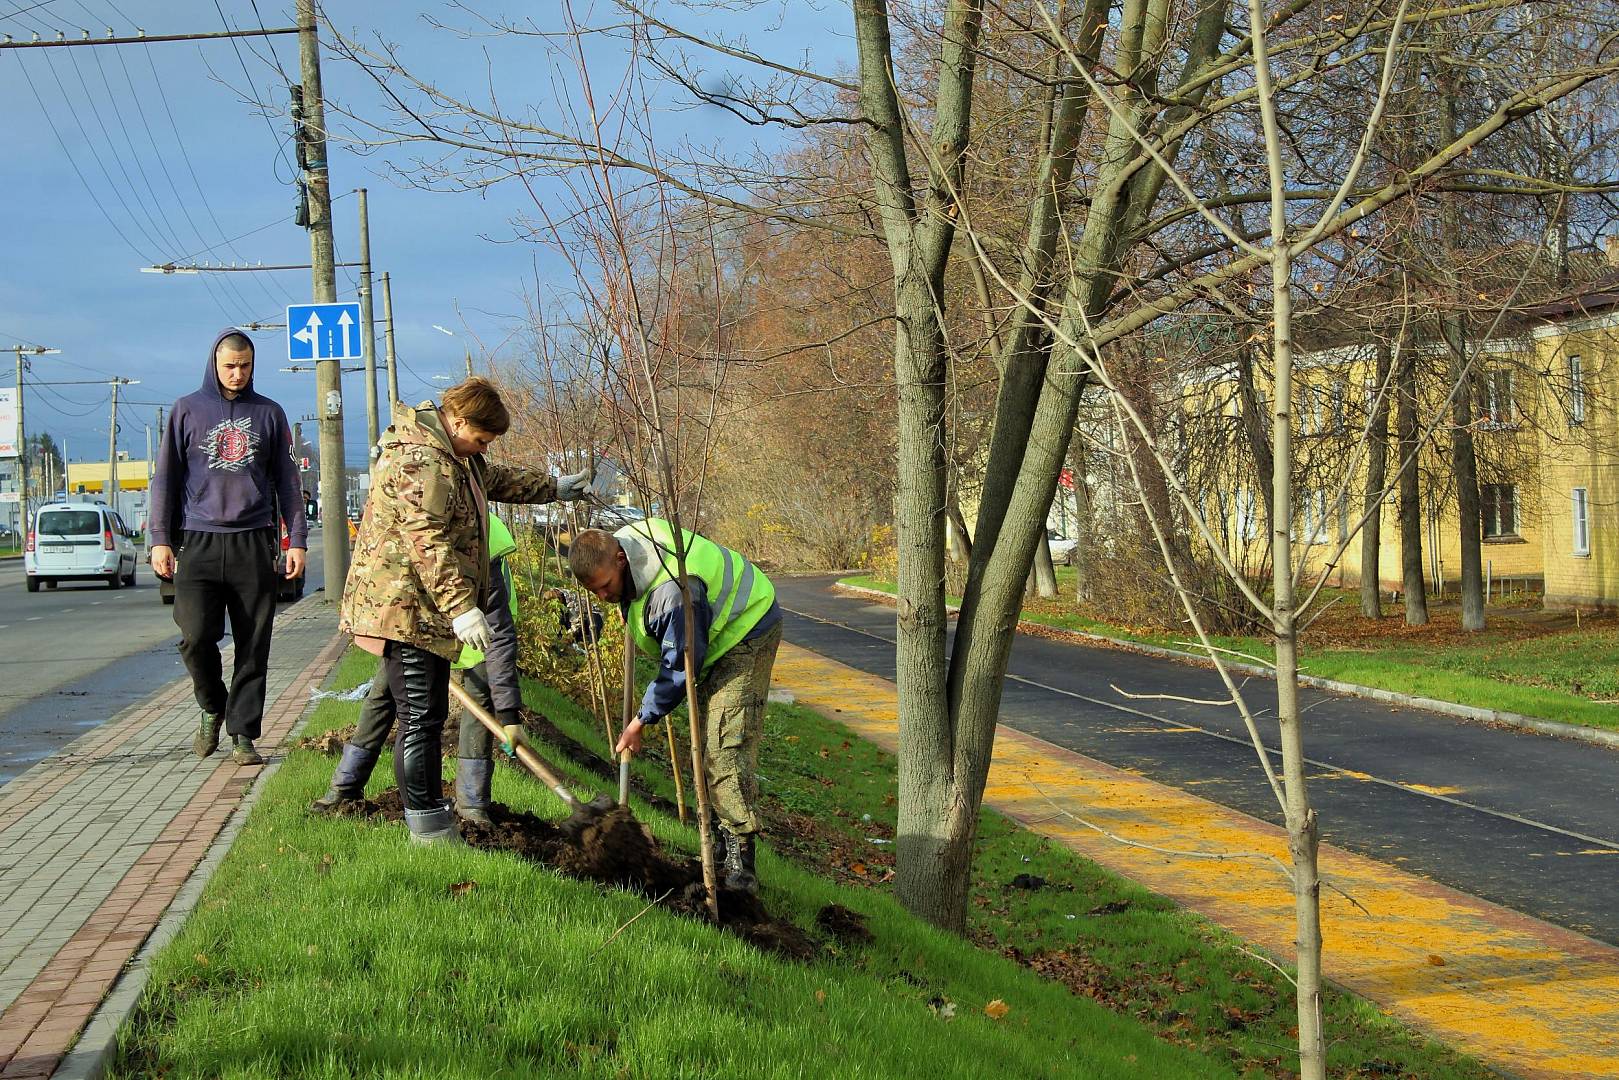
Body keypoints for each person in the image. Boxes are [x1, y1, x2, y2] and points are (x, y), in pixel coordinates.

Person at [339, 377, 588, 844]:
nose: (483, 448)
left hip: (421, 605)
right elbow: (426, 540)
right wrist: (461, 608)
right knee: (419, 715)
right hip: (404, 606)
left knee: (425, 713)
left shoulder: (455, 455)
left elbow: (494, 479)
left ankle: (428, 815)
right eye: (481, 438)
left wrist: (554, 488)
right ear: (458, 422)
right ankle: (428, 828)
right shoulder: (422, 462)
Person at [569, 519, 781, 893]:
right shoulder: (624, 547)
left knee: (724, 747)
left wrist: (640, 720)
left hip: (748, 629)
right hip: (713, 637)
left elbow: (680, 666)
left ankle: (740, 865)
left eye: (605, 587)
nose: (602, 597)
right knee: (709, 746)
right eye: (594, 592)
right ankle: (718, 845)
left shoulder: (672, 592)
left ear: (620, 560)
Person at [149, 329, 307, 766]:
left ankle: (242, 733)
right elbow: (165, 479)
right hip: (197, 540)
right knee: (196, 636)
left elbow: (290, 486)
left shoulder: (269, 413)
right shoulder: (186, 411)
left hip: (253, 540)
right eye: (229, 366)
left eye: (245, 366)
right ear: (214, 364)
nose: (237, 374)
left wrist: (296, 542)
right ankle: (213, 704)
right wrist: (159, 538)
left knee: (253, 644)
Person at [312, 510, 522, 826]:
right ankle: (345, 786)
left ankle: (472, 804)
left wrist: (509, 716)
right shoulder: (415, 529)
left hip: (480, 633)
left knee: (482, 695)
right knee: (384, 693)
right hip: (420, 626)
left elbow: (498, 636)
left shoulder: (482, 542)